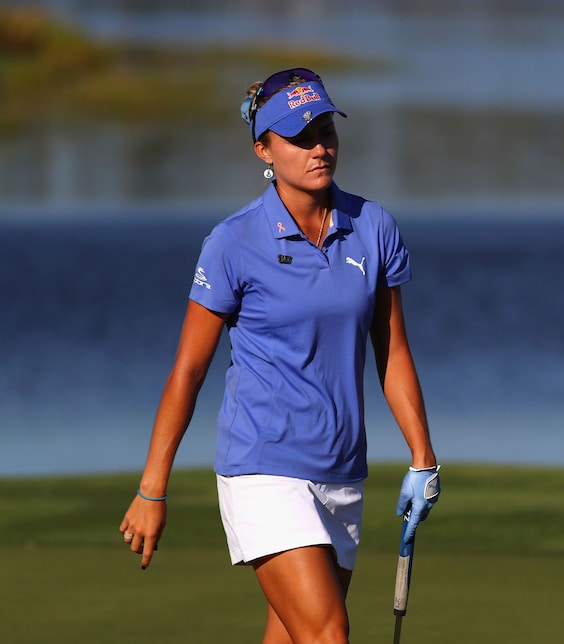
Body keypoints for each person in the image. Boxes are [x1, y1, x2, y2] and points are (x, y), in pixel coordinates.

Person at [119, 68, 440, 644]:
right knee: (326, 633)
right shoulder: (233, 243)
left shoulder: (373, 227)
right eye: (300, 136)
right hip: (263, 466)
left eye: (326, 130)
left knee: (291, 637)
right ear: (263, 149)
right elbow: (188, 372)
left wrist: (423, 457)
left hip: (341, 471)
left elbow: (391, 349)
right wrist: (152, 488)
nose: (320, 147)